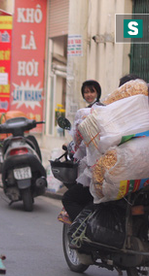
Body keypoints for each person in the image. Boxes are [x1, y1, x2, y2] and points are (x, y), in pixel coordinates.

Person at [61, 79, 103, 222]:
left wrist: (71, 147)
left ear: (98, 92)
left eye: (92, 91)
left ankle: (83, 227)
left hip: (93, 167)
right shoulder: (105, 110)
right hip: (104, 166)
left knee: (68, 198)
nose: (89, 94)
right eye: (86, 92)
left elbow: (78, 142)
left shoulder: (83, 113)